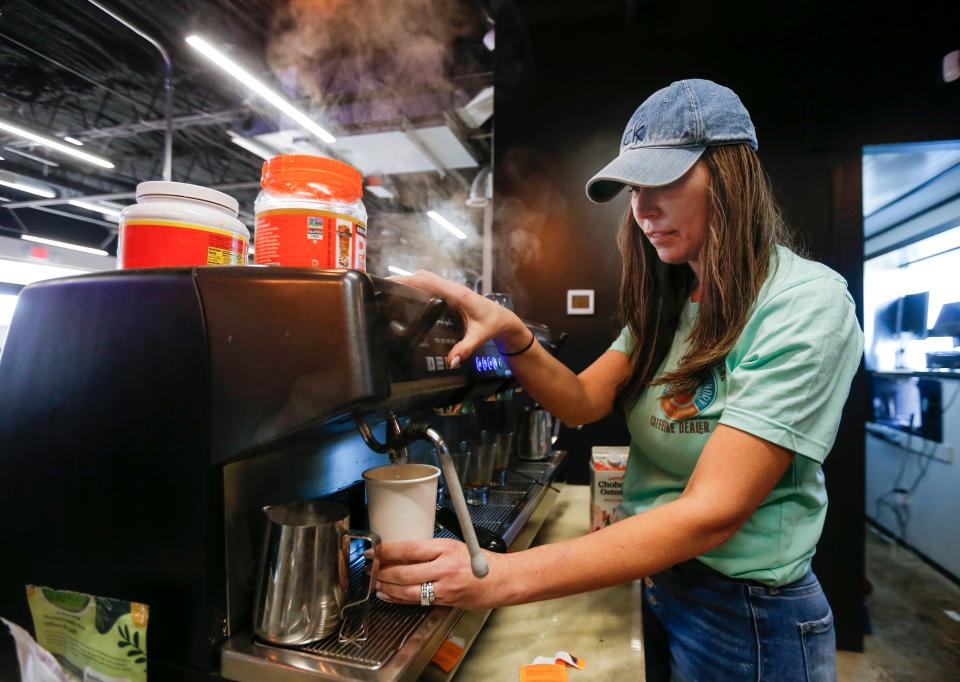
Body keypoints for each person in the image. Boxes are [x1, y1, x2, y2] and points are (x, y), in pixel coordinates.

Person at [378, 79, 864, 681]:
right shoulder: (672, 305)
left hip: (748, 619)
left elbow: (713, 512)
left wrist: (494, 577)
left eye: (663, 181)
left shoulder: (805, 304)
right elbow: (580, 402)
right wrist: (512, 334)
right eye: (635, 189)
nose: (642, 208)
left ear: (732, 173)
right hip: (660, 582)